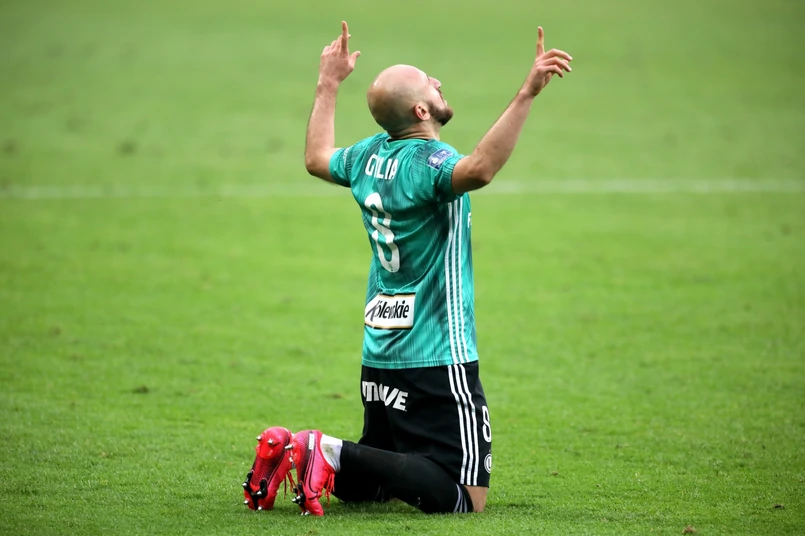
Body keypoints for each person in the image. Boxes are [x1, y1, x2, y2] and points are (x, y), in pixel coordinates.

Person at [242, 21, 572, 516]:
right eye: (428, 83)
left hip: (380, 351)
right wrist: (526, 93)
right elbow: (480, 169)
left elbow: (316, 157)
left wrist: (328, 83)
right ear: (421, 111)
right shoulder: (430, 162)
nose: (437, 82)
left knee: (381, 483)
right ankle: (324, 449)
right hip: (437, 353)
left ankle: (292, 450)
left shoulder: (366, 156)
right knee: (463, 497)